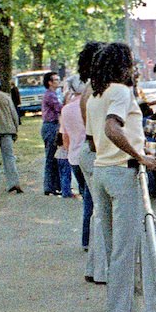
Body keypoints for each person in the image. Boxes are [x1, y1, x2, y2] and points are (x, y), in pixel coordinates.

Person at [85, 42, 156, 312]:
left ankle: (120, 305)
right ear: (122, 65)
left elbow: (93, 139)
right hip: (121, 173)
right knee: (124, 249)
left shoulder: (95, 96)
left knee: (113, 246)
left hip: (101, 171)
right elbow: (112, 128)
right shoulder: (120, 92)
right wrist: (139, 155)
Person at [75, 42, 107, 285]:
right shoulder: (96, 90)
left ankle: (96, 266)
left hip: (88, 150)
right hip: (95, 151)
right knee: (104, 214)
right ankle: (103, 270)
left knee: (99, 212)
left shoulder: (88, 89)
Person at [60, 76, 92, 250]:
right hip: (89, 155)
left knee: (85, 193)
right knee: (90, 198)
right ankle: (88, 238)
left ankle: (87, 238)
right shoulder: (89, 104)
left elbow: (65, 138)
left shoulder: (66, 110)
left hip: (74, 156)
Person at [41, 71, 63, 195]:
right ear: (50, 82)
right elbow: (59, 108)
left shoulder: (54, 94)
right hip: (50, 126)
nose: (58, 82)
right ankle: (49, 186)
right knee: (51, 157)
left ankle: (55, 185)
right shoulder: (50, 95)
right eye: (56, 80)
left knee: (55, 157)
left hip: (53, 125)